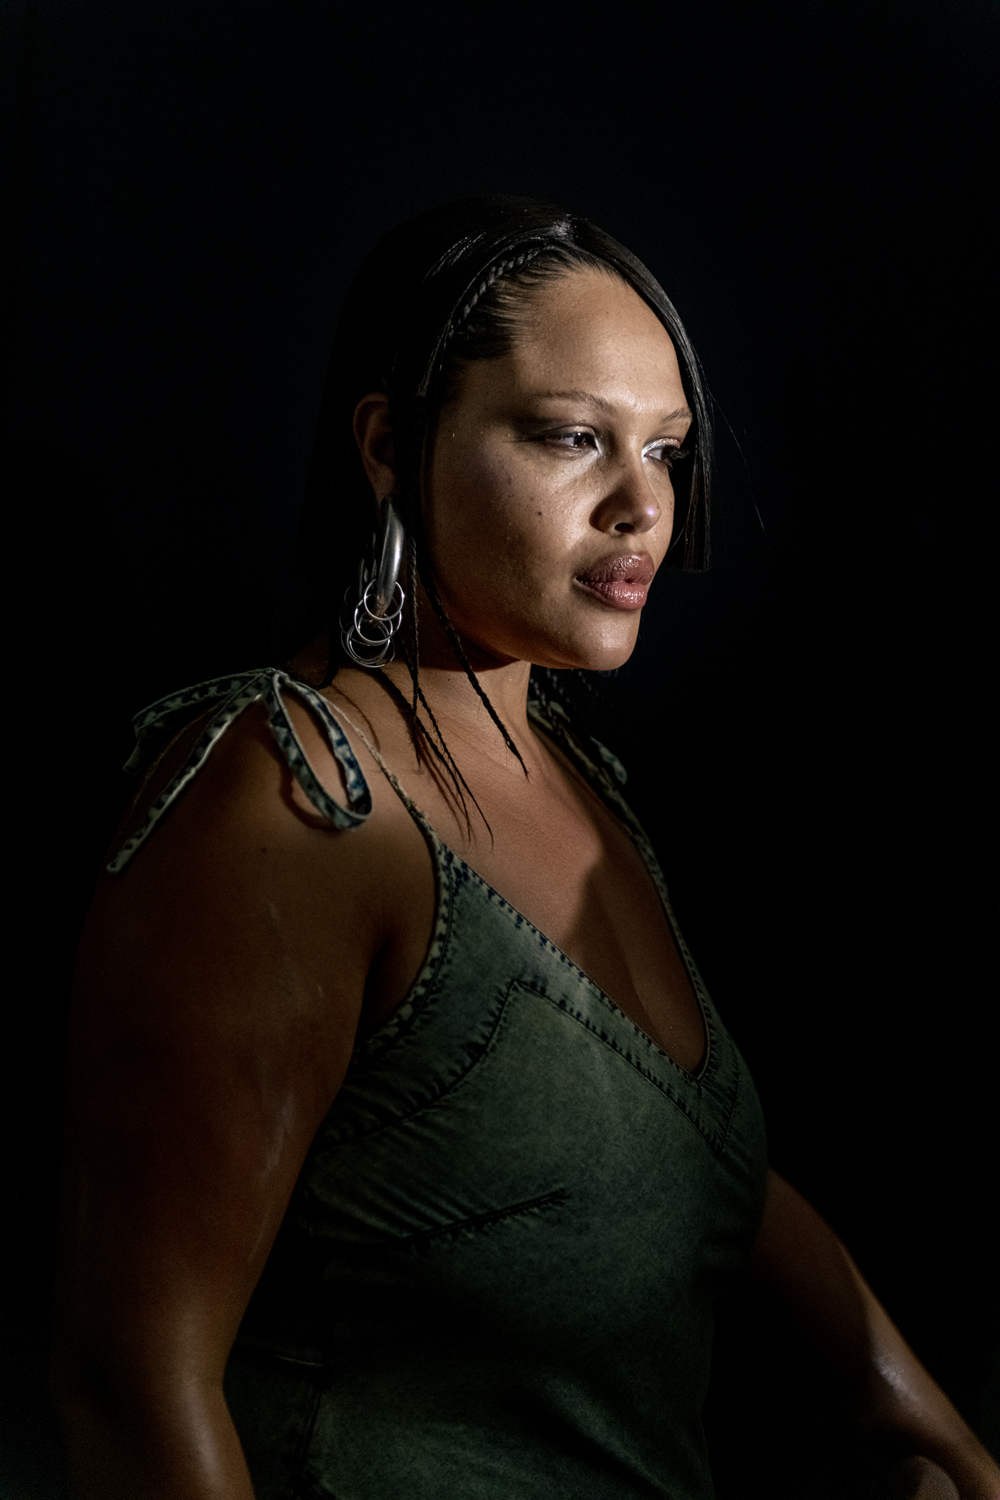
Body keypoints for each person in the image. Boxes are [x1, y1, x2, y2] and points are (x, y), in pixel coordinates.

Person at [52, 197, 1000, 1500]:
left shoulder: (578, 782)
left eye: (665, 451)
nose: (642, 506)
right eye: (572, 437)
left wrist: (926, 1424)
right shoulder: (297, 801)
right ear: (391, 446)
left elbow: (683, 1156)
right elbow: (132, 1383)